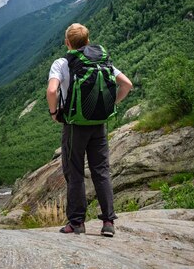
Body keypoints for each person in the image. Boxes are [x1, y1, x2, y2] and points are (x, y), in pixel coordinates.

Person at [46, 23, 133, 237]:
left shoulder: (62, 62)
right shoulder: (101, 60)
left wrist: (54, 112)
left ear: (67, 42)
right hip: (98, 124)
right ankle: (108, 222)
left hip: (75, 125)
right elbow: (127, 85)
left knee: (74, 172)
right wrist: (112, 104)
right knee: (101, 171)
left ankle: (76, 223)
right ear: (87, 41)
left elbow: (51, 90)